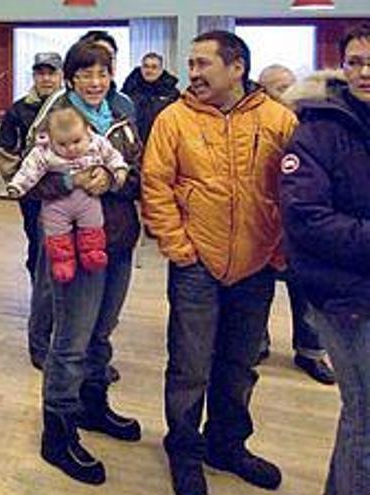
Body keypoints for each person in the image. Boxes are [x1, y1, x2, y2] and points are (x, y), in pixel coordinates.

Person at [142, 30, 298, 495]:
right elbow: (156, 185)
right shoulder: (173, 119)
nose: (193, 72)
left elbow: (295, 189)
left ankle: (227, 444)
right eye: (190, 63)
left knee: (238, 363)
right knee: (190, 365)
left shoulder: (279, 120)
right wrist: (179, 247)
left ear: (237, 68)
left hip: (257, 264)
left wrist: (278, 249)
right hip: (195, 264)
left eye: (203, 63)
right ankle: (185, 449)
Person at [25, 41, 143, 487]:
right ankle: (57, 433)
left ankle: (94, 407)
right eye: (86, 74)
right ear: (71, 77)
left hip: (119, 238)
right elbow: (29, 177)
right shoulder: (56, 114)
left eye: (103, 73)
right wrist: (74, 178)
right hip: (73, 243)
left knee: (101, 332)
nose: (95, 82)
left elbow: (139, 170)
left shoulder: (124, 110)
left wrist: (115, 178)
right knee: (71, 341)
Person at [280, 23, 370, 495]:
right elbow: (307, 219)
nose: (364, 71)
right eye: (354, 61)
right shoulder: (317, 129)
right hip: (341, 296)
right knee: (367, 418)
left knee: (362, 413)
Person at [257, 63, 336, 385]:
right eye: (279, 87)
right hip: (265, 226)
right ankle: (257, 344)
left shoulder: (315, 124)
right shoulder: (257, 126)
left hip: (305, 229)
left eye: (291, 84)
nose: (288, 93)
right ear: (263, 93)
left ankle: (311, 352)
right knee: (257, 292)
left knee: (306, 295)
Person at [7, 102, 129, 283]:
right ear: (51, 138)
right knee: (57, 232)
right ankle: (63, 261)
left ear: (87, 131)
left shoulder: (97, 143)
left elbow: (113, 156)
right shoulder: (44, 152)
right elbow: (29, 170)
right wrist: (18, 185)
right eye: (62, 144)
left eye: (77, 141)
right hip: (57, 203)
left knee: (93, 224)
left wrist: (118, 170)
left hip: (88, 199)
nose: (71, 149)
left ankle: (92, 252)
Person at [0, 52, 64, 282]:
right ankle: (39, 299)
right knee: (36, 242)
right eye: (41, 73)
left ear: (61, 75)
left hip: (66, 191)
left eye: (51, 73)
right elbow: (4, 150)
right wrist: (22, 184)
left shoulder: (72, 106)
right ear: (34, 76)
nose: (46, 79)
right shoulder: (18, 110)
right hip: (33, 195)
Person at [122, 52, 180, 143]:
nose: (149, 70)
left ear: (161, 70)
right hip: (134, 143)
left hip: (161, 142)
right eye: (146, 66)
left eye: (154, 67)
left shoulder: (172, 94)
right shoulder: (129, 90)